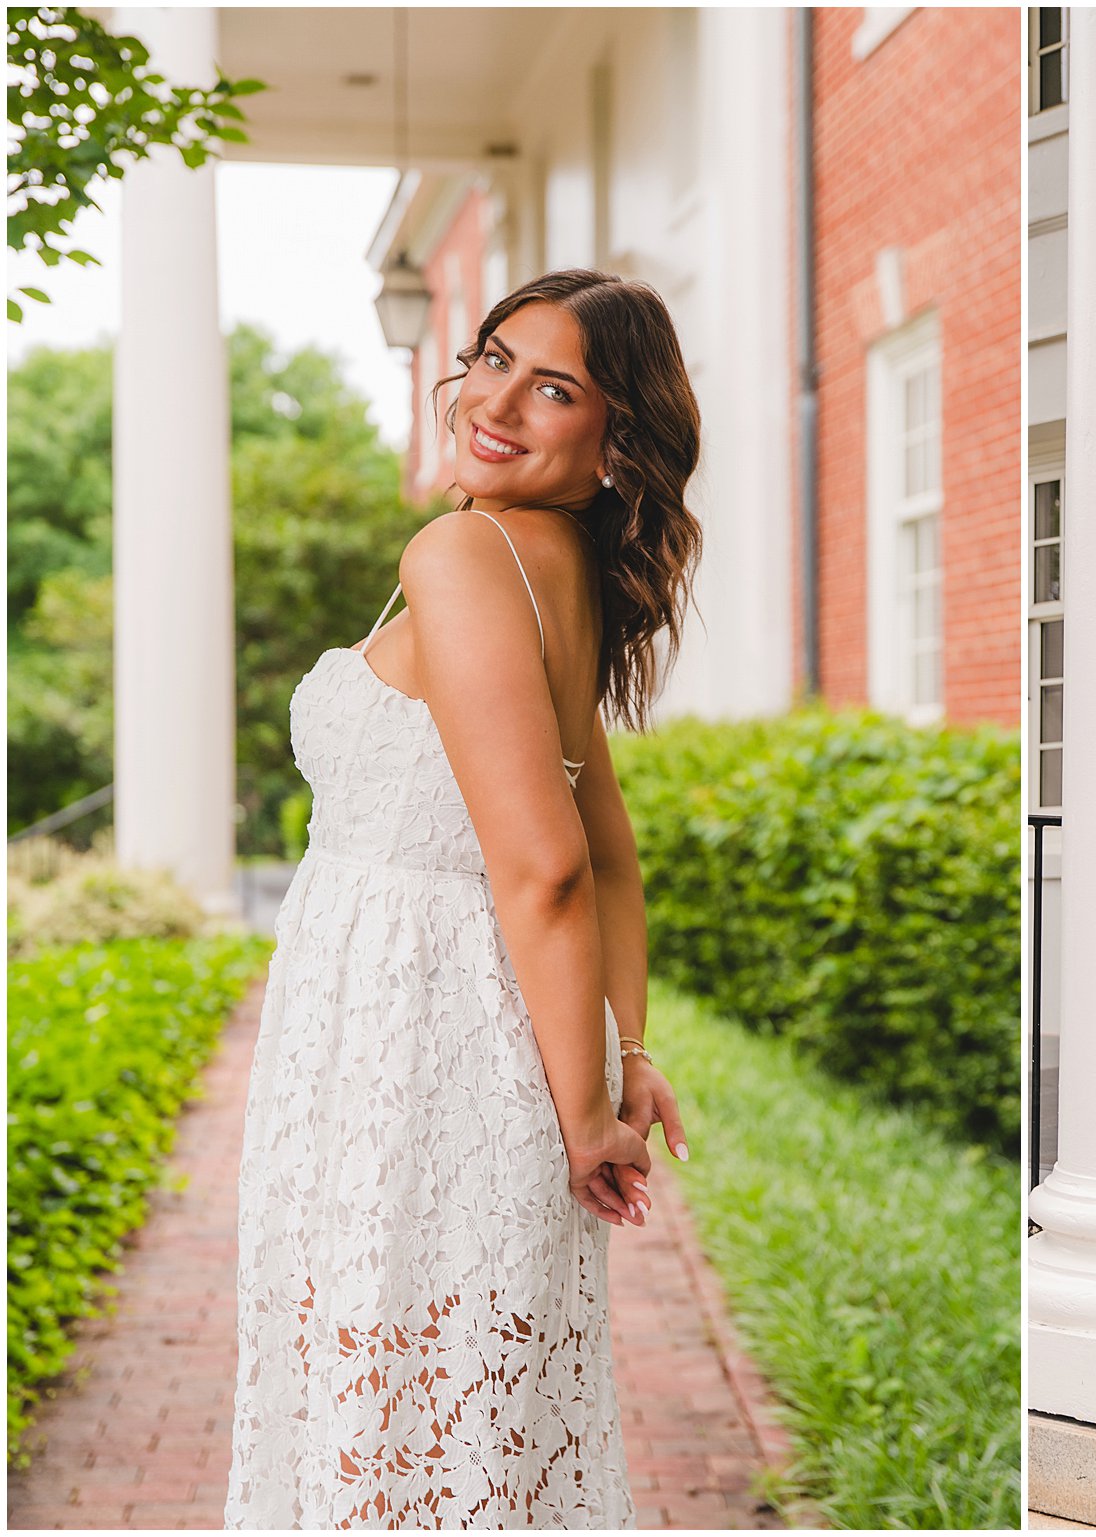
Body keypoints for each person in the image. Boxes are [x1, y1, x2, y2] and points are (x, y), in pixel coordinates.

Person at [225, 268, 704, 1525]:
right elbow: (608, 849)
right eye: (490, 358)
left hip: (424, 1057)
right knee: (466, 1423)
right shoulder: (549, 561)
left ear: (613, 444)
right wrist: (622, 1052)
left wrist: (589, 1111)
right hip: (431, 1040)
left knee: (392, 1410)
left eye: (553, 388)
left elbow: (550, 866)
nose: (493, 398)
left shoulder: (464, 551)